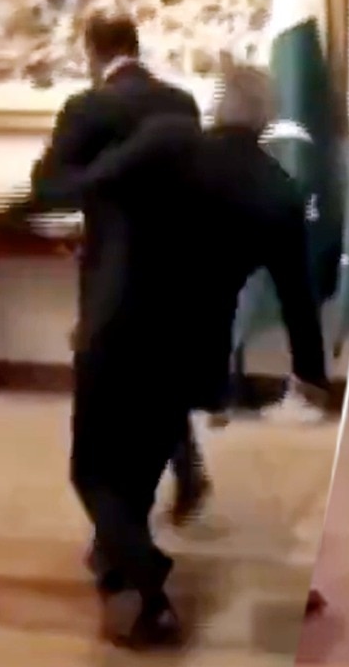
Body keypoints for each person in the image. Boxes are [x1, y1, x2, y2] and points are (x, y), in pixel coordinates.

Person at [59, 62, 332, 617]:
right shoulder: (279, 191)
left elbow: (95, 188)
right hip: (193, 352)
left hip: (120, 329)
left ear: (216, 108)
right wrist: (311, 372)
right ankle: (118, 563)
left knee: (92, 471)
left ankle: (145, 578)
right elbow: (297, 297)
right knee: (140, 471)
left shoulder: (169, 142)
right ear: (268, 122)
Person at [19, 13, 202, 649]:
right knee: (143, 447)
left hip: (113, 305)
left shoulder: (88, 108)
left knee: (91, 463)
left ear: (91, 52)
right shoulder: (181, 104)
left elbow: (48, 188)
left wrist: (95, 190)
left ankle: (148, 582)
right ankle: (114, 551)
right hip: (175, 303)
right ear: (136, 47)